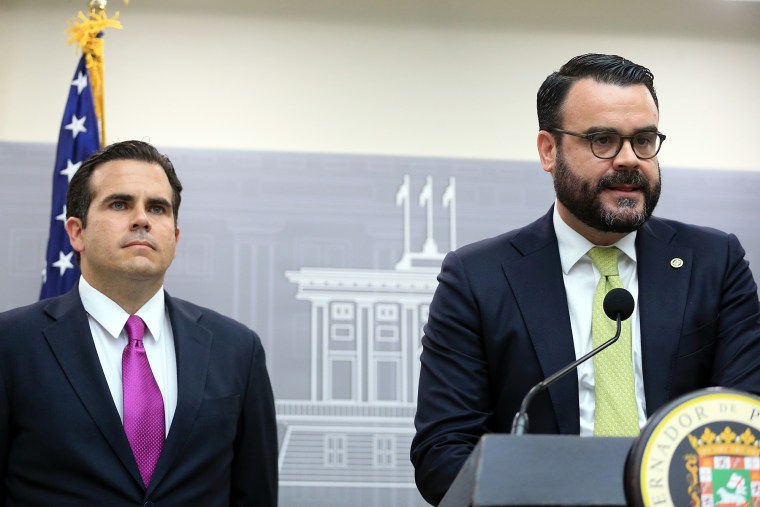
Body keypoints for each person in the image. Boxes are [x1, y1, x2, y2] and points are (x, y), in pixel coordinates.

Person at [410, 53, 760, 505]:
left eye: (644, 140)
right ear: (548, 150)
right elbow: (442, 452)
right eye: (603, 140)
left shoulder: (714, 262)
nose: (629, 160)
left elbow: (745, 424)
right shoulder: (479, 278)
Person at [0, 140, 278, 506]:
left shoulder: (237, 349)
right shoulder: (11, 344)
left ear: (175, 239)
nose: (142, 218)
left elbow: (255, 494)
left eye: (158, 208)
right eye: (120, 204)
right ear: (76, 232)